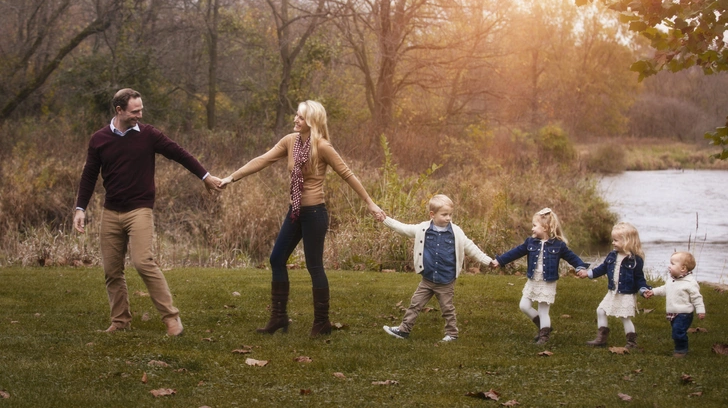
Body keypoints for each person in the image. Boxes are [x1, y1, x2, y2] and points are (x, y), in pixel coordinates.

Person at [219, 100, 384, 337]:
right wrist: (230, 178)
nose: (295, 120)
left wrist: (370, 203)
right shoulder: (290, 141)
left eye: (300, 117)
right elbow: (262, 160)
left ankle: (322, 323)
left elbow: (347, 174)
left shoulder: (323, 146)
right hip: (295, 212)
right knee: (277, 259)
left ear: (312, 122)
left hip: (315, 213)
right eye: (296, 115)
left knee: (314, 266)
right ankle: (278, 318)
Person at [74, 88, 223, 336]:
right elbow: (89, 175)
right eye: (135, 111)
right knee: (111, 270)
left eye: (141, 109)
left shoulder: (148, 135)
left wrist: (205, 176)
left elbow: (179, 153)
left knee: (143, 262)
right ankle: (120, 322)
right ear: (119, 110)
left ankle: (172, 319)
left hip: (139, 210)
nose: (139, 115)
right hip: (110, 212)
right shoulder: (99, 139)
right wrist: (80, 208)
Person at [379, 194, 493, 342]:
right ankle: (403, 330)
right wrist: (385, 219)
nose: (448, 218)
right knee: (415, 304)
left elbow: (471, 248)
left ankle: (452, 334)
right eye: (444, 214)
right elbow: (403, 228)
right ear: (432, 214)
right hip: (427, 279)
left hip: (446, 280)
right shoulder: (423, 229)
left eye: (450, 214)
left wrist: (488, 261)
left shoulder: (456, 232)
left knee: (447, 309)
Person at [492, 208, 588, 345]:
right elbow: (515, 252)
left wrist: (580, 267)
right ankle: (545, 327)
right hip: (533, 280)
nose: (532, 229)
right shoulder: (530, 242)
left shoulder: (558, 245)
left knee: (543, 311)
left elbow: (572, 257)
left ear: (545, 227)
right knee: (524, 305)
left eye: (534, 225)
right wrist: (500, 261)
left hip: (547, 282)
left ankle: (544, 336)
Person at [577, 222, 650, 349]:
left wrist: (643, 289)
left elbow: (639, 278)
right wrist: (588, 273)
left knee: (625, 317)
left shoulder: (635, 260)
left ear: (627, 241)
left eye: (616, 240)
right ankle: (601, 338)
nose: (613, 243)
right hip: (612, 292)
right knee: (601, 310)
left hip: (626, 294)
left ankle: (631, 342)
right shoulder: (612, 255)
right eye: (613, 240)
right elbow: (602, 268)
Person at [644, 251, 706, 358]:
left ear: (683, 268)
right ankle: (679, 345)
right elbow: (665, 289)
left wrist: (700, 310)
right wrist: (653, 291)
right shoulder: (672, 280)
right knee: (676, 331)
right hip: (673, 312)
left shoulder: (690, 283)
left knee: (678, 331)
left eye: (672, 264)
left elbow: (697, 298)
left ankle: (681, 350)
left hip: (684, 313)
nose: (669, 266)